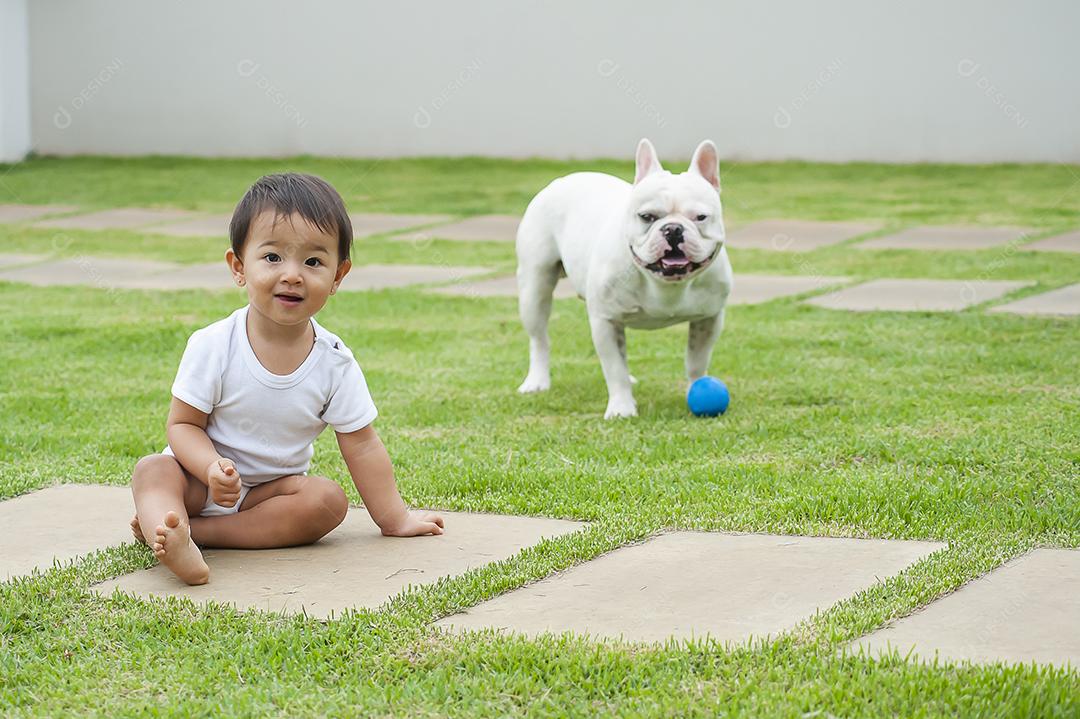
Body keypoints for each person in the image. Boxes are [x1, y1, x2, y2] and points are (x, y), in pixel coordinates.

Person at [129, 172, 443, 585]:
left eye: (313, 262)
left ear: (338, 276)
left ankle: (194, 535)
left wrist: (395, 518)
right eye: (273, 257)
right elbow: (183, 425)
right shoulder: (214, 344)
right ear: (238, 267)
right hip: (197, 483)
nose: (293, 275)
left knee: (328, 501)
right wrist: (210, 469)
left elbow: (363, 445)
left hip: (270, 494)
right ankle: (168, 525)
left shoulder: (334, 362)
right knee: (153, 470)